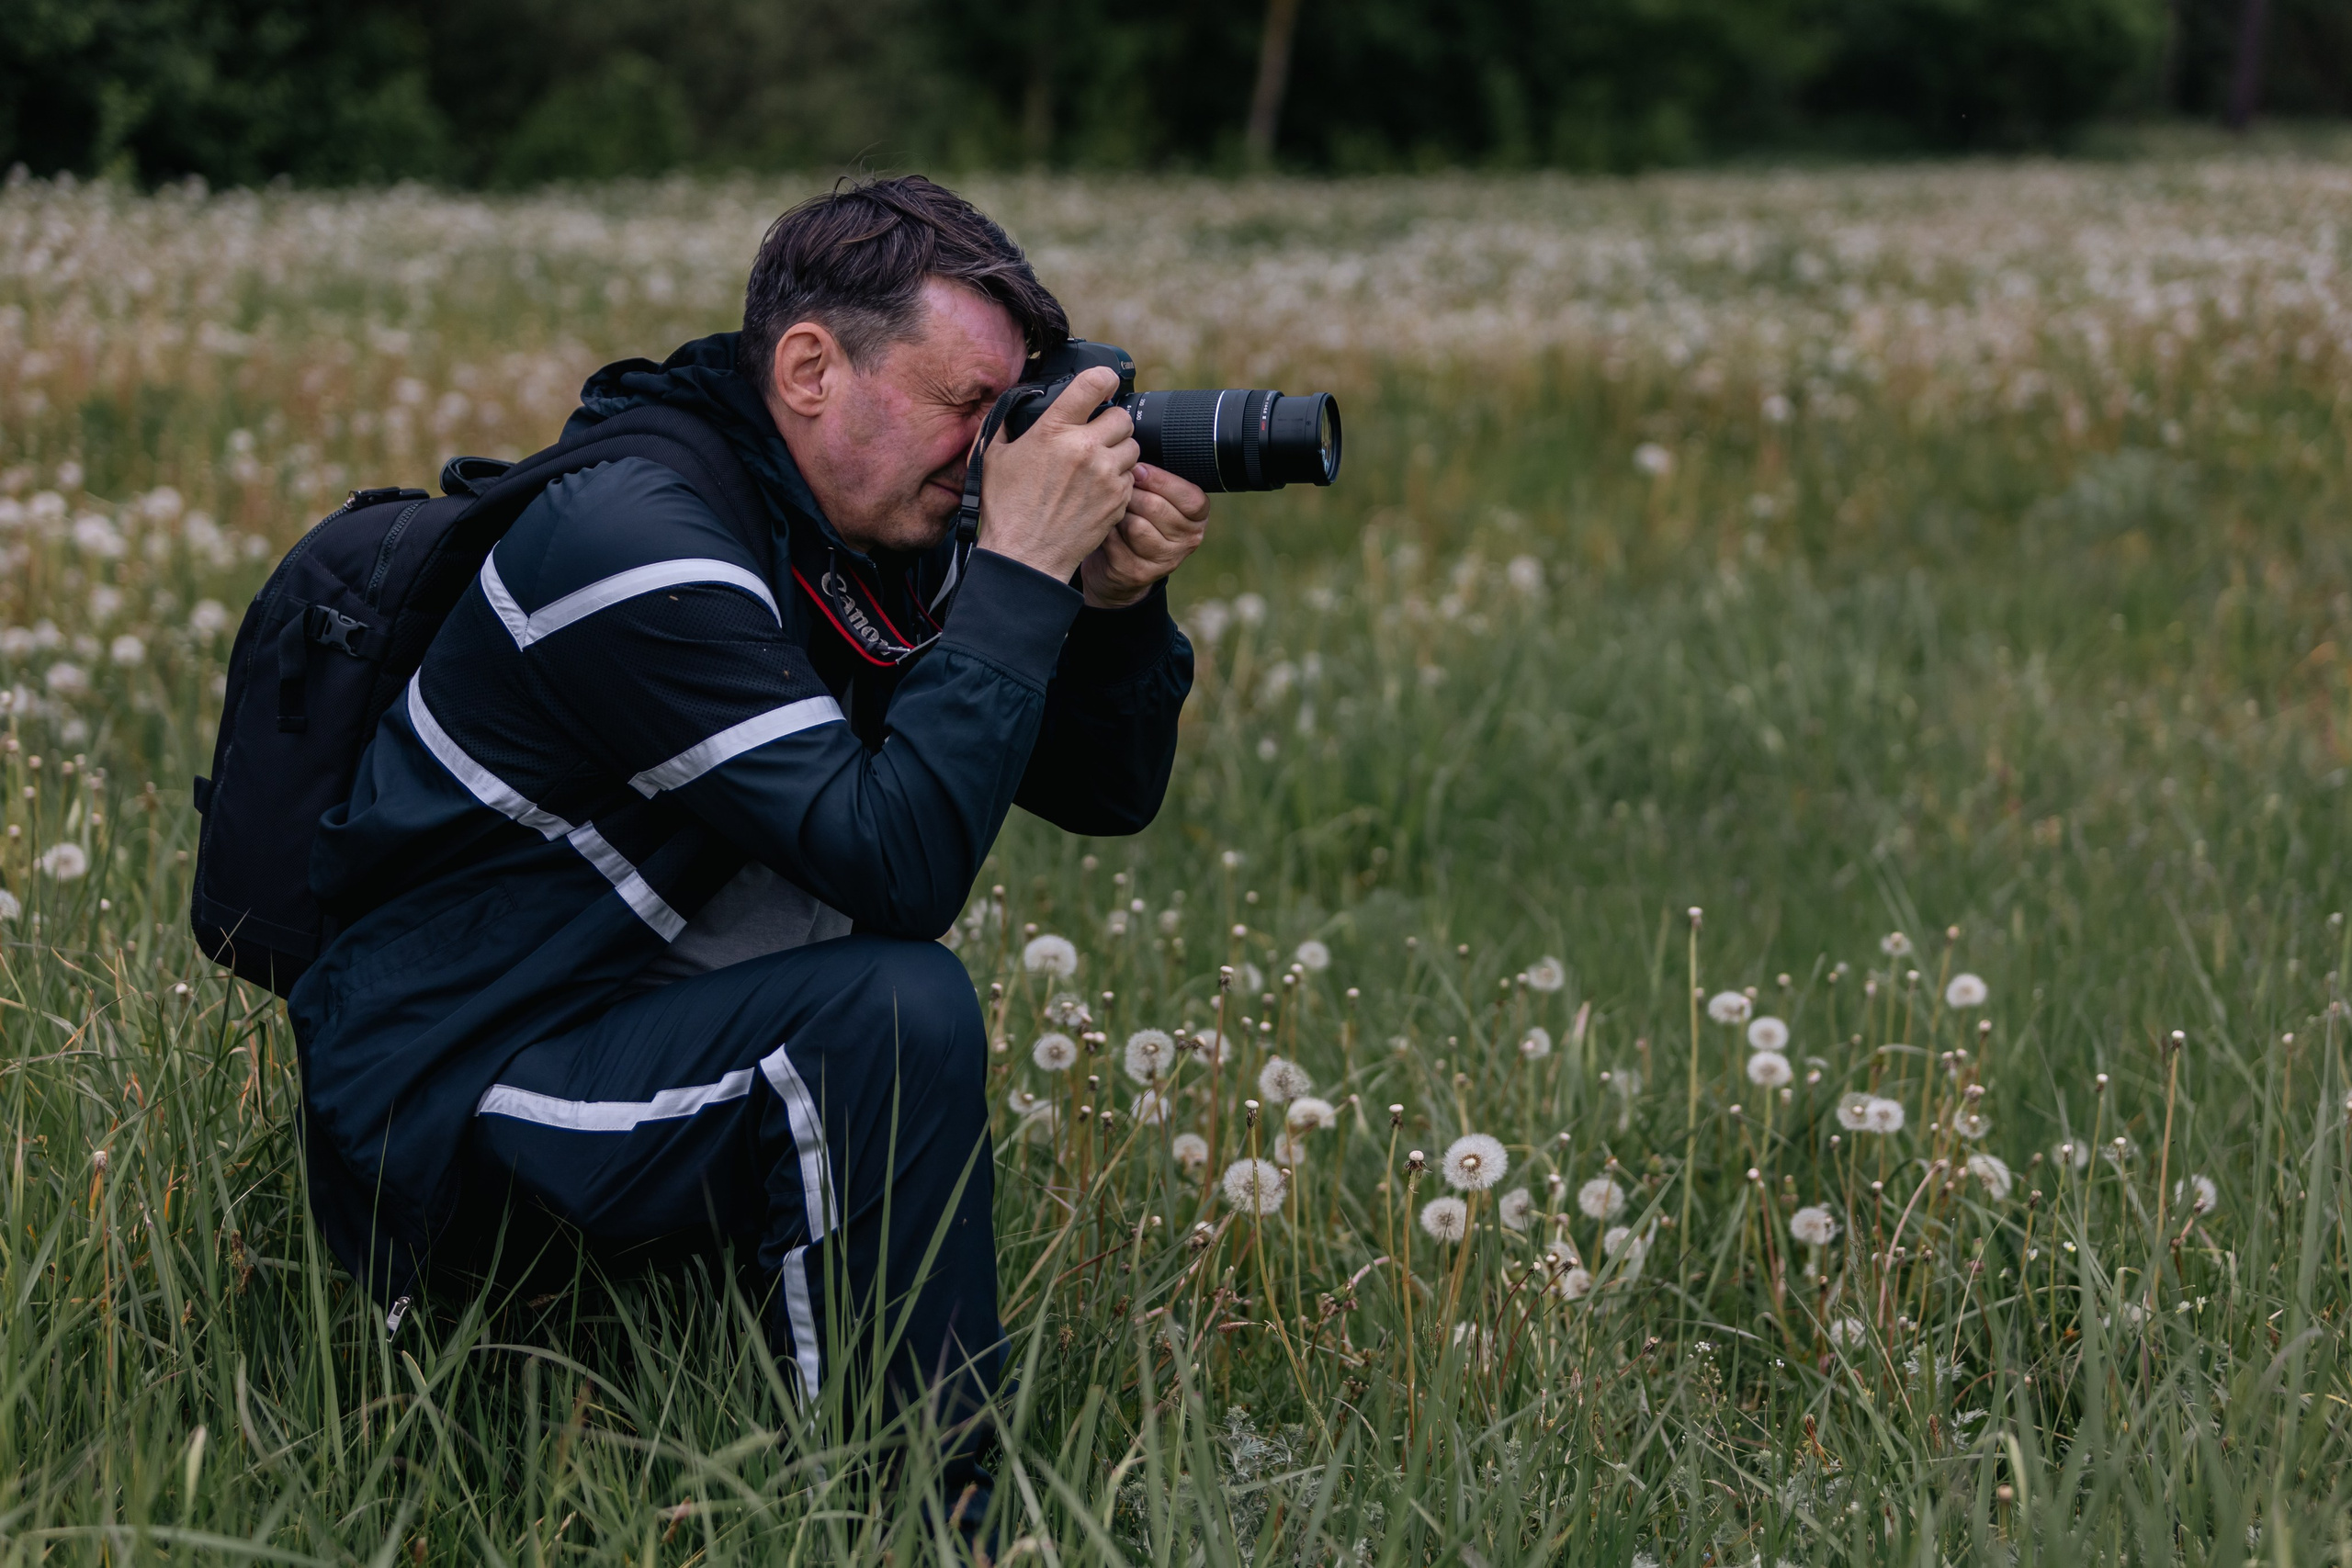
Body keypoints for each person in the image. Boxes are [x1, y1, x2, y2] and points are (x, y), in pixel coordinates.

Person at [285, 175, 1204, 1503]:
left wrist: (1108, 606)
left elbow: (1109, 796)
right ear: (811, 367)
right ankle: (925, 1521)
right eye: (966, 408)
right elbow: (897, 868)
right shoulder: (633, 542)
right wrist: (1015, 577)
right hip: (460, 1070)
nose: (988, 452)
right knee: (889, 1016)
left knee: (879, 1008)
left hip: (623, 1006)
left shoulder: (851, 528)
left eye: (1008, 413)